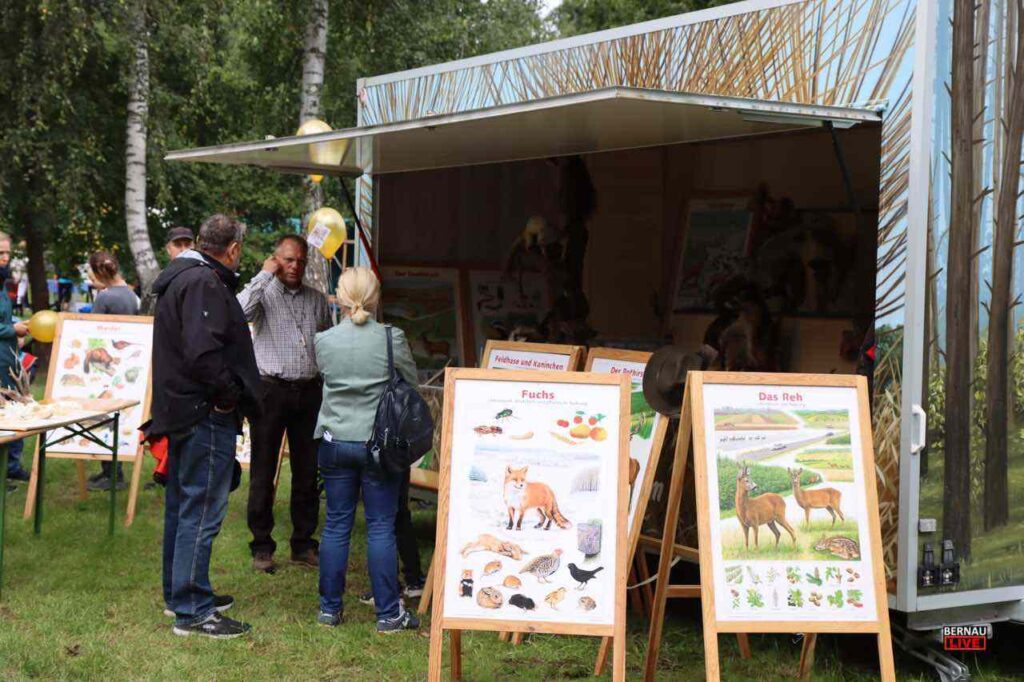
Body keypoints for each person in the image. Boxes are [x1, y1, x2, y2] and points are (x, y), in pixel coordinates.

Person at [148, 213, 260, 638]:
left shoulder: (187, 278)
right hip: (202, 412)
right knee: (201, 508)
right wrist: (228, 395)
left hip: (184, 410)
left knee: (184, 504)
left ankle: (181, 595)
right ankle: (192, 608)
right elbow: (202, 354)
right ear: (232, 249)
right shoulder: (203, 283)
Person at [313, 266, 420, 633]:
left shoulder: (324, 340)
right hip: (380, 443)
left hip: (333, 440)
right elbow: (412, 382)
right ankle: (389, 614)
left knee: (336, 524)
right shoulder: (393, 338)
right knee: (380, 526)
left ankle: (329, 610)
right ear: (375, 298)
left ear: (340, 298)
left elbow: (325, 379)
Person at [237, 235, 331, 573]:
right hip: (270, 390)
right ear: (275, 259)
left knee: (307, 472)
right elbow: (238, 311)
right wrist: (264, 275)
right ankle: (262, 545)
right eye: (289, 260)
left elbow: (327, 343)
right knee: (263, 470)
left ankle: (303, 543)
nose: (295, 267)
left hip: (309, 392)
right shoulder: (263, 294)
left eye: (301, 261)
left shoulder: (318, 300)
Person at [83, 251, 140, 491]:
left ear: (98, 273)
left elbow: (95, 331)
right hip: (125, 362)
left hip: (105, 363)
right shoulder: (130, 294)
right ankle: (109, 470)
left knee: (104, 416)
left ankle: (113, 474)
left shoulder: (105, 297)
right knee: (117, 416)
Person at [0, 233, 30, 485]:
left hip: (7, 359)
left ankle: (11, 465)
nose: (5, 259)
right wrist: (11, 330)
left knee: (15, 409)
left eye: (7, 253)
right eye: (0, 254)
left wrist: (18, 327)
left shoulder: (2, 284)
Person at [140, 226, 195, 317]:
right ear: (168, 249)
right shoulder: (157, 281)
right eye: (177, 245)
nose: (183, 250)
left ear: (194, 246)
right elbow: (146, 318)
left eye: (187, 245)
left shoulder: (205, 277)